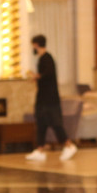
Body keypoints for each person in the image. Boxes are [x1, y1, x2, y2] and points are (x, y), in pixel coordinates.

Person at [25, 34, 78, 162]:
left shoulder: (47, 58)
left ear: (36, 44)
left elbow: (47, 75)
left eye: (33, 45)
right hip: (43, 97)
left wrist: (36, 76)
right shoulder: (42, 58)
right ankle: (40, 150)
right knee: (41, 123)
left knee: (56, 122)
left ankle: (69, 145)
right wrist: (37, 77)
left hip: (50, 99)